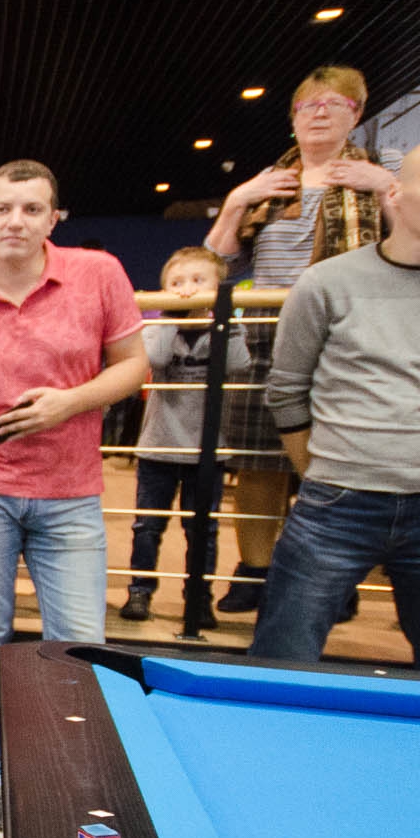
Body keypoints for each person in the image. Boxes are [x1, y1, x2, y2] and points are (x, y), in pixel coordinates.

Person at [0, 160, 146, 831]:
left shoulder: (98, 275)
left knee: (80, 640)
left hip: (71, 492)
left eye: (32, 209)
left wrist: (70, 402)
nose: (16, 221)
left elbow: (135, 366)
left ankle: (74, 771)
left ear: (53, 219)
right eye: (3, 209)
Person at [251, 135, 420, 674]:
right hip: (335, 503)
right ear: (395, 193)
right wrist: (320, 469)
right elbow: (287, 390)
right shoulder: (327, 283)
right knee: (280, 663)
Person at [204, 66, 396, 613]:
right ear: (293, 118)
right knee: (258, 461)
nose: (319, 113)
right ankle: (254, 573)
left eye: (334, 104)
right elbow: (217, 264)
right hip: (267, 333)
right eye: (308, 105)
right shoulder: (271, 183)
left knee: (334, 463)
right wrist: (238, 199)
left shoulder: (381, 171)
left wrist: (385, 188)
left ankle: (331, 576)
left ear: (356, 114)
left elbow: (415, 238)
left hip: (348, 334)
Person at [122, 247, 249, 627]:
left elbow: (239, 363)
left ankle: (198, 598)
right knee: (147, 527)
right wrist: (170, 316)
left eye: (198, 281)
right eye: (176, 283)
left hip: (206, 451)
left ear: (218, 286)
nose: (187, 289)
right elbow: (157, 359)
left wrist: (224, 317)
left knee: (202, 530)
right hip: (158, 447)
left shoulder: (225, 329)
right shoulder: (160, 330)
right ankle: (140, 591)